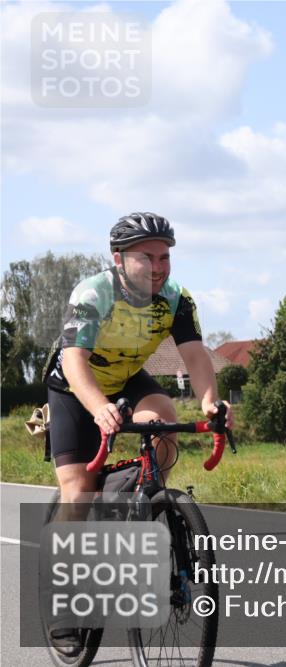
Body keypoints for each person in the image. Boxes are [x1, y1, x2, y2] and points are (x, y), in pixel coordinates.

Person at [42, 212, 234, 655]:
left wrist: (209, 403)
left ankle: (135, 492)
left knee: (165, 420)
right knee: (76, 492)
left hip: (127, 378)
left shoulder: (175, 298)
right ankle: (65, 607)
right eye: (146, 257)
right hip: (76, 386)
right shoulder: (94, 293)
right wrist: (99, 409)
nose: (158, 265)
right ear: (119, 259)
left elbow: (196, 357)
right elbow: (74, 363)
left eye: (164, 256)